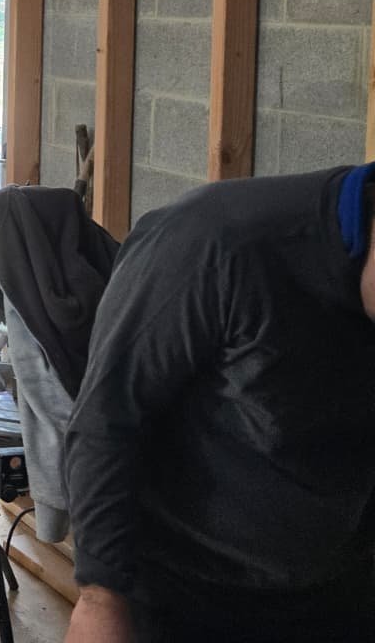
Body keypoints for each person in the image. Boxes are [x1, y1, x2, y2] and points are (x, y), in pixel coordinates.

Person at [63, 165, 375, 642]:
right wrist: (100, 599)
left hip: (338, 595)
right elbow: (106, 420)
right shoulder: (217, 242)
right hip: (188, 597)